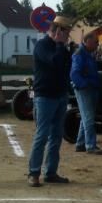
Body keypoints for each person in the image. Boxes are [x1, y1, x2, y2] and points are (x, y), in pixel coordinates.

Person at [27, 16, 73, 187]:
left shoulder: (62, 48)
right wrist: (60, 45)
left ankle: (50, 172)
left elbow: (66, 66)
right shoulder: (43, 46)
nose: (68, 36)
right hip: (45, 96)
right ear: (58, 32)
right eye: (66, 32)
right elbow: (55, 62)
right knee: (42, 135)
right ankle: (34, 173)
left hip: (60, 95)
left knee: (56, 136)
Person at [70, 31, 102, 154]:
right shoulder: (80, 54)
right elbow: (74, 74)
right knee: (89, 118)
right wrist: (85, 85)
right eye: (96, 42)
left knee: (86, 118)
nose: (97, 44)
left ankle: (80, 144)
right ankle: (90, 146)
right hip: (86, 90)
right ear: (88, 41)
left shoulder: (87, 54)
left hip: (89, 88)